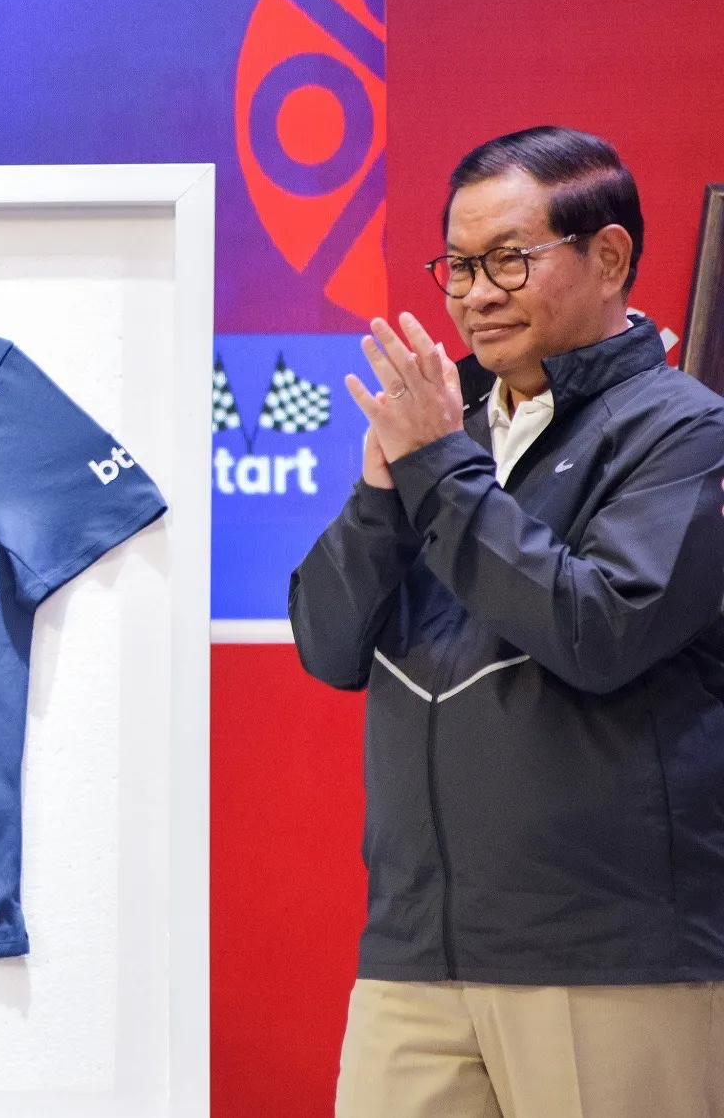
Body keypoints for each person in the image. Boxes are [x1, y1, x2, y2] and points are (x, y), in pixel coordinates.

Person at [290, 126, 724, 1118]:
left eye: (508, 259)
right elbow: (327, 643)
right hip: (414, 954)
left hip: (609, 956)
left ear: (607, 256)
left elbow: (599, 630)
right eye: (458, 265)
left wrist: (437, 467)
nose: (476, 293)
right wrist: (380, 489)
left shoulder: (684, 428)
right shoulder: (445, 428)